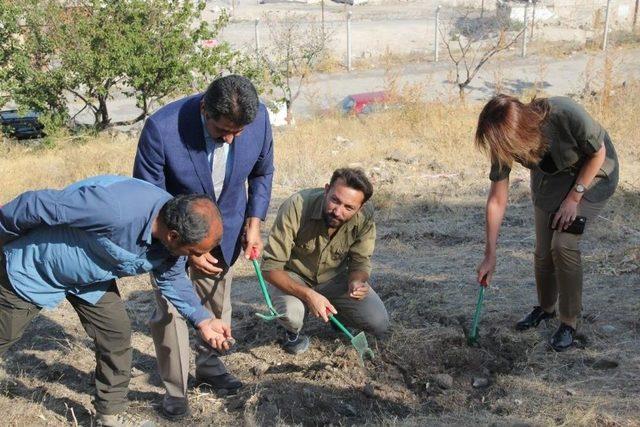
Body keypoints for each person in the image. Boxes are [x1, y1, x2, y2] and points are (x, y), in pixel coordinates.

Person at [0, 175, 232, 427]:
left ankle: (109, 415)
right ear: (173, 236)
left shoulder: (172, 233)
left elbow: (172, 278)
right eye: (196, 252)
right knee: (4, 334)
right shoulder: (113, 208)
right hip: (30, 269)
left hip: (90, 281)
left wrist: (203, 320)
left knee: (116, 335)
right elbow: (35, 205)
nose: (200, 257)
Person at [133, 74, 274, 419]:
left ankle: (210, 368)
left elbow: (262, 172)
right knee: (170, 312)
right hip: (173, 239)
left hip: (224, 233)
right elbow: (147, 197)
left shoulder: (259, 119)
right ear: (204, 110)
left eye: (236, 134)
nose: (229, 139)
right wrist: (189, 250)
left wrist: (254, 223)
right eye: (222, 131)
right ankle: (176, 391)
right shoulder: (161, 129)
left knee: (215, 301)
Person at [475, 94, 619, 351]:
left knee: (562, 244)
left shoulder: (565, 113)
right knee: (543, 252)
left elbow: (598, 153)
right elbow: (497, 200)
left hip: (594, 173)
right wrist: (490, 254)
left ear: (520, 130)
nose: (502, 151)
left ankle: (569, 321)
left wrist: (575, 198)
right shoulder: (503, 139)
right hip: (551, 181)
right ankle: (545, 308)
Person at [260, 168, 389, 355]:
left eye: (349, 208)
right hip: (293, 276)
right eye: (335, 200)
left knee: (379, 323)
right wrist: (308, 295)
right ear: (326, 189)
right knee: (292, 314)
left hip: (335, 278)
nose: (337, 211)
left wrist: (357, 281)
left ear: (360, 208)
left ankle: (341, 317)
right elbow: (270, 268)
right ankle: (291, 334)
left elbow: (360, 261)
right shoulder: (297, 205)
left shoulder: (365, 216)